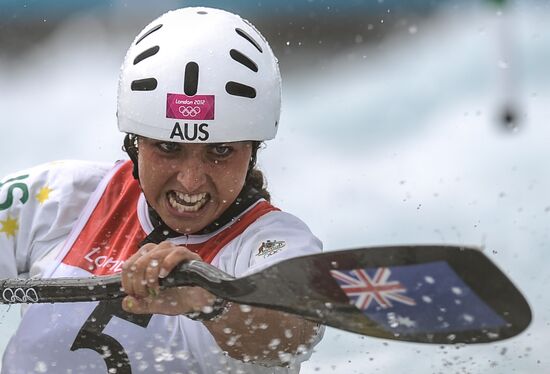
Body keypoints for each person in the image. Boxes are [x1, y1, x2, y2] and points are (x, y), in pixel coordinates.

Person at [0, 7, 323, 374]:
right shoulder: (59, 198)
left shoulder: (276, 242)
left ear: (252, 152)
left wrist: (209, 302)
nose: (190, 181)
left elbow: (293, 330)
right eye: (168, 148)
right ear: (134, 144)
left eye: (219, 151)